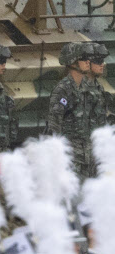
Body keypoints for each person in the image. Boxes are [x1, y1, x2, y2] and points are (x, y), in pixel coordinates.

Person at [46, 42, 93, 179]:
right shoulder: (62, 90)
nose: (88, 62)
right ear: (73, 62)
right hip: (70, 158)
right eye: (84, 58)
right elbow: (54, 125)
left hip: (87, 157)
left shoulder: (86, 87)